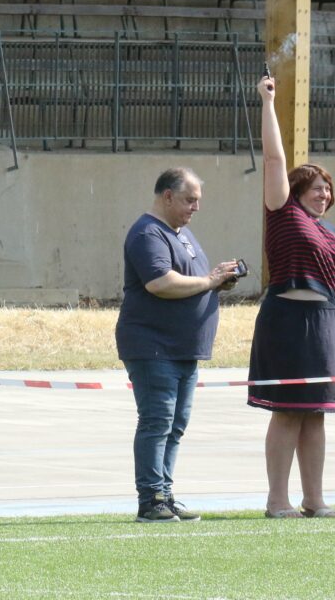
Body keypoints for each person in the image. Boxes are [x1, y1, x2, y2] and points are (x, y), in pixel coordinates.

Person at [247, 75, 335, 519]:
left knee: (317, 414)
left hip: (325, 324)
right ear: (296, 191)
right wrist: (267, 102)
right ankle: (277, 500)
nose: (324, 194)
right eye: (316, 188)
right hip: (287, 319)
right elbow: (274, 158)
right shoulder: (282, 211)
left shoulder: (329, 233)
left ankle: (314, 498)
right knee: (288, 412)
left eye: (328, 189)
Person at [115, 167, 239, 523]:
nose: (195, 208)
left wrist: (216, 282)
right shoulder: (147, 233)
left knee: (176, 424)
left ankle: (165, 495)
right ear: (167, 196)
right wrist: (208, 280)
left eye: (198, 201)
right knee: (157, 420)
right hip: (155, 345)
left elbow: (194, 280)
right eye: (189, 200)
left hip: (183, 347)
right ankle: (151, 498)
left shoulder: (181, 234)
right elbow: (160, 283)